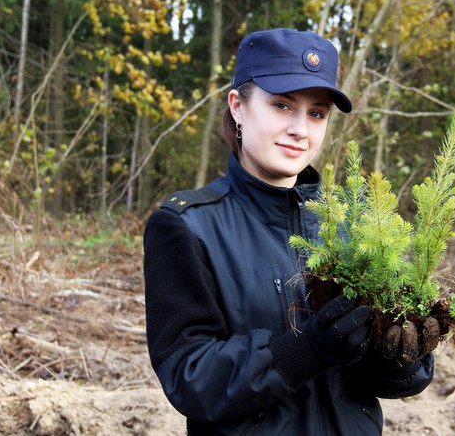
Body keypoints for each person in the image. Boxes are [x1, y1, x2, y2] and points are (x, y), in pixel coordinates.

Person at [144, 28, 436, 435]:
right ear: (238, 107)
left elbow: (394, 381)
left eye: (316, 113)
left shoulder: (357, 223)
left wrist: (403, 355)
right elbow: (188, 375)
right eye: (282, 105)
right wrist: (307, 350)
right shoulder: (189, 226)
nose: (301, 128)